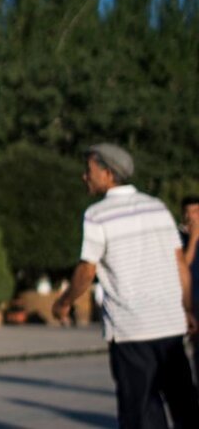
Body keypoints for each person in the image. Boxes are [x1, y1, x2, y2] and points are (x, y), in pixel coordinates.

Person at [53, 143, 199, 427]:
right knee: (185, 408)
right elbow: (179, 265)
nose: (85, 176)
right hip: (170, 327)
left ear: (108, 174)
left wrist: (64, 302)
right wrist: (188, 310)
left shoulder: (97, 215)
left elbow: (87, 269)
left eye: (89, 170)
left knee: (141, 413)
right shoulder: (157, 207)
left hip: (131, 331)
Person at [180, 195, 199, 382]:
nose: (193, 217)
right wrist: (193, 238)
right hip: (192, 303)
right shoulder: (179, 238)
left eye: (197, 212)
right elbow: (182, 267)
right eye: (189, 212)